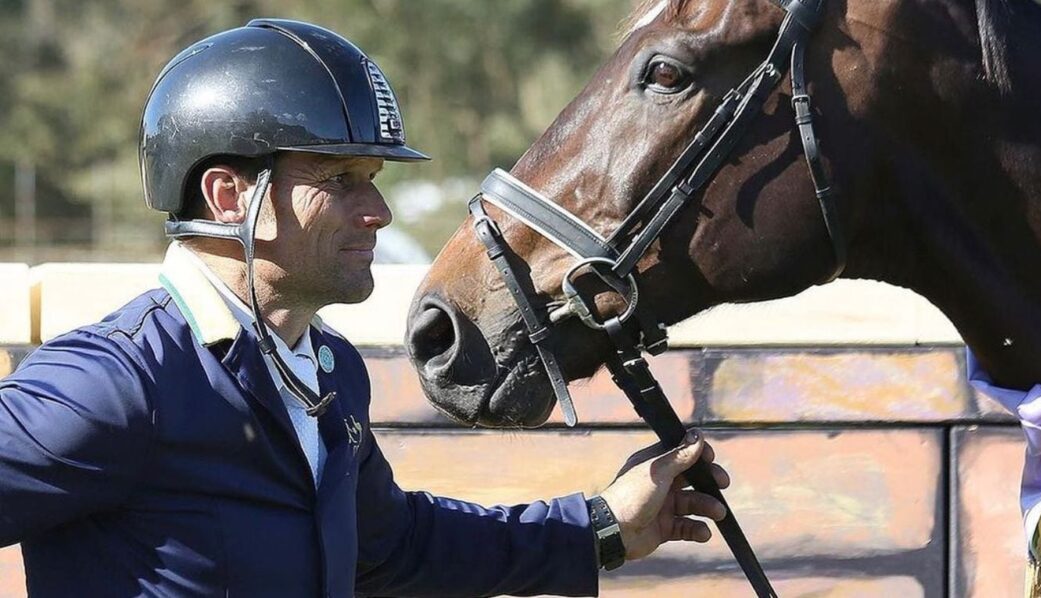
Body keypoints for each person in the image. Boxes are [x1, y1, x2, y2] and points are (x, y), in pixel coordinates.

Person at [0, 19, 730, 597]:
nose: (377, 211)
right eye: (342, 178)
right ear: (230, 199)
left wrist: (599, 528)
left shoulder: (329, 369)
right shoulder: (113, 381)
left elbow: (390, 547)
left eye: (373, 178)